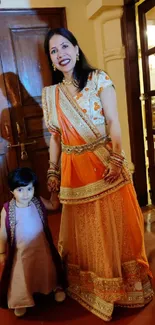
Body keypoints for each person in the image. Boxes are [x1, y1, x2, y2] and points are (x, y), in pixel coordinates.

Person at [42, 27, 154, 322]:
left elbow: (114, 121)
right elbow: (55, 137)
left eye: (65, 47)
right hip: (73, 172)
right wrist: (52, 170)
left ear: (76, 50)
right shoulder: (51, 94)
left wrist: (117, 159)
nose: (61, 54)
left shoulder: (99, 79)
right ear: (51, 60)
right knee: (85, 229)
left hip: (104, 164)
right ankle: (91, 286)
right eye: (54, 51)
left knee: (113, 226)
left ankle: (123, 287)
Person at [0, 167, 66, 317]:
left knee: (47, 269)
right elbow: (2, 233)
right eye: (20, 190)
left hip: (41, 248)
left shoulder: (38, 201)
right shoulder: (8, 209)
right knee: (22, 274)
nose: (25, 194)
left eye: (29, 189)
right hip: (21, 253)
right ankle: (21, 300)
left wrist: (54, 191)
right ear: (11, 191)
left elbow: (54, 205)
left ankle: (55, 288)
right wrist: (2, 252)